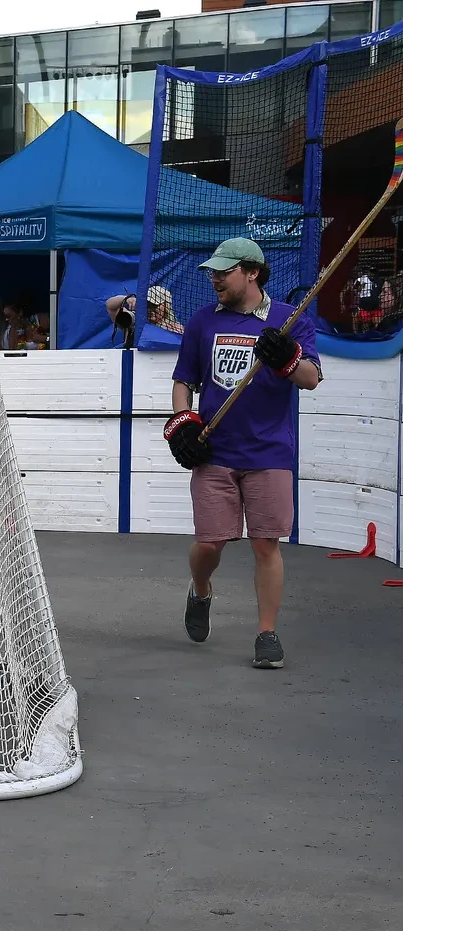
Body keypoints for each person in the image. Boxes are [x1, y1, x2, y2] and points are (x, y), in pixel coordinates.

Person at [162, 237, 322, 670]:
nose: (215, 279)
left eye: (224, 271)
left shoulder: (289, 320)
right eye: (213, 272)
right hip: (214, 452)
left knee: (266, 544)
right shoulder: (202, 322)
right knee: (209, 543)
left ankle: (266, 634)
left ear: (252, 272)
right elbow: (184, 380)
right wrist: (184, 422)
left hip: (270, 453)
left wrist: (288, 360)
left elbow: (311, 378)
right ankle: (200, 590)